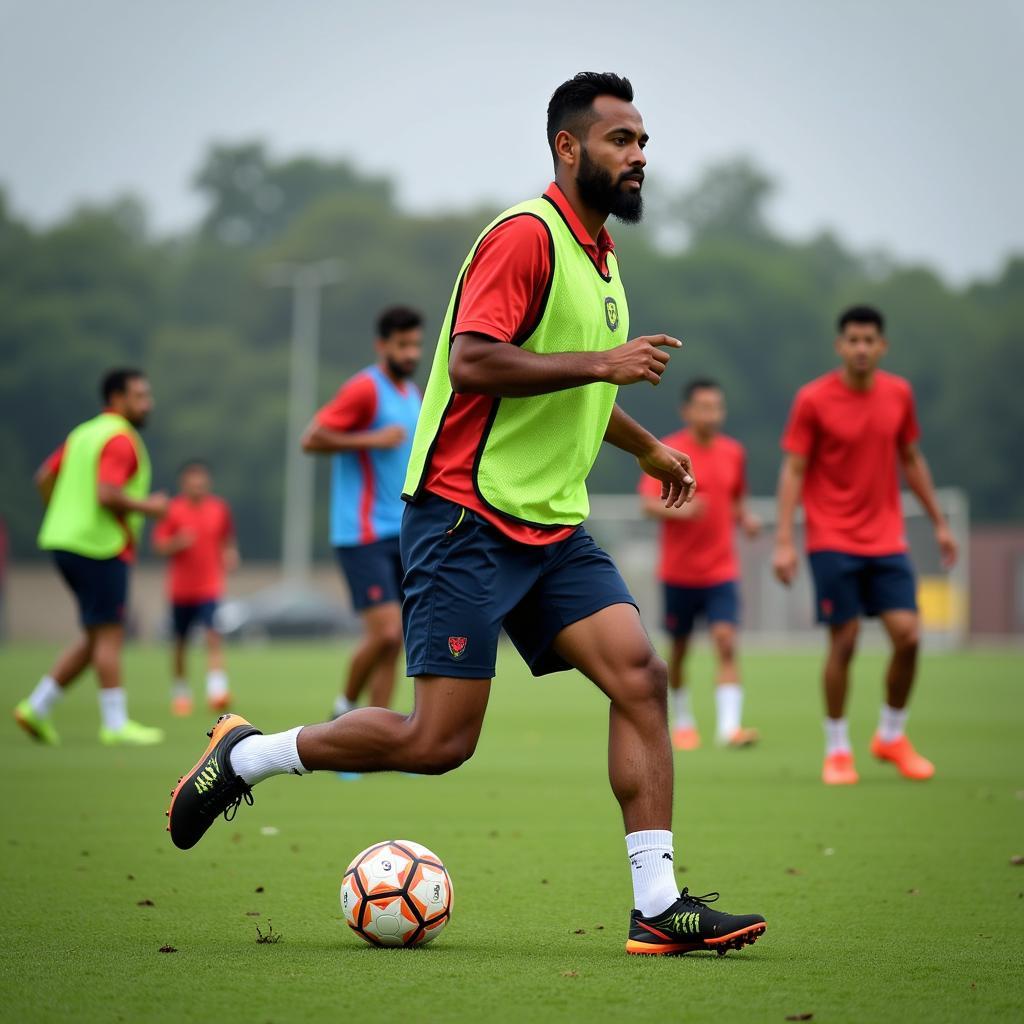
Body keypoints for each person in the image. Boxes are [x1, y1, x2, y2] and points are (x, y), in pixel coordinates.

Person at [167, 72, 766, 958]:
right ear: (569, 148)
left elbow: (566, 389)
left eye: (643, 141)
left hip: (552, 528)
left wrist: (641, 445)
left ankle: (657, 905)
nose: (639, 156)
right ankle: (248, 754)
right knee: (439, 742)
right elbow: (478, 361)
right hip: (465, 519)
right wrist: (604, 365)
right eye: (620, 141)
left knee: (640, 679)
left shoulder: (602, 259)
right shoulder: (526, 236)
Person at [772, 305, 958, 785]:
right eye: (852, 340)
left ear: (882, 346)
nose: (860, 348)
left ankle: (891, 736)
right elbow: (793, 469)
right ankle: (837, 750)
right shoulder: (813, 399)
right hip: (831, 538)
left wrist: (939, 522)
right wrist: (784, 540)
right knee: (846, 641)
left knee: (910, 637)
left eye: (868, 340)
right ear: (840, 346)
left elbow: (911, 459)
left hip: (886, 539)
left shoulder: (899, 394)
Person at [14, 368, 167, 746]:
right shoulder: (119, 438)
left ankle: (37, 708)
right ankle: (115, 724)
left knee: (96, 634)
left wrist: (63, 514)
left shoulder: (84, 433)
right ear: (116, 398)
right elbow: (107, 494)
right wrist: (149, 506)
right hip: (99, 545)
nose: (148, 404)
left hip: (62, 541)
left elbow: (43, 478)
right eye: (139, 396)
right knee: (111, 633)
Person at [301, 306, 423, 720]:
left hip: (404, 531)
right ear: (382, 345)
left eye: (416, 345)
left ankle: (375, 737)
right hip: (363, 533)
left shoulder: (413, 393)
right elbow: (312, 438)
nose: (411, 354)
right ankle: (342, 713)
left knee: (395, 642)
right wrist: (372, 438)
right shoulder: (364, 390)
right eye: (403, 345)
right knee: (386, 633)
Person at [639, 379, 760, 751]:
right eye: (703, 407)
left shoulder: (733, 452)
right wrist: (684, 510)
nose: (711, 414)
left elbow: (737, 498)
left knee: (726, 641)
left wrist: (746, 519)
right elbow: (647, 504)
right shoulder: (668, 452)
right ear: (687, 411)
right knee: (678, 650)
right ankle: (684, 720)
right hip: (679, 572)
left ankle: (729, 728)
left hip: (721, 570)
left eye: (716, 407)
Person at [152, 459, 238, 716]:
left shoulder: (219, 509)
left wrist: (231, 553)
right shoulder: (172, 510)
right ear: (184, 484)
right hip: (181, 589)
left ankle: (217, 692)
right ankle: (181, 694)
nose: (198, 488)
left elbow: (227, 538)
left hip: (209, 586)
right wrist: (177, 542)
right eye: (193, 483)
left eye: (202, 483)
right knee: (180, 642)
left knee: (213, 635)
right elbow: (159, 546)